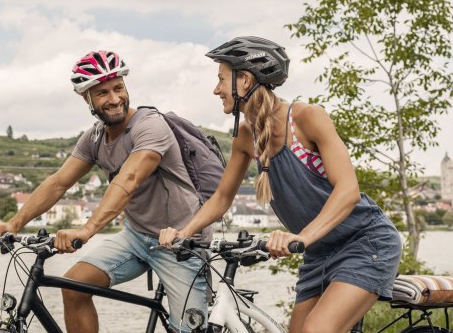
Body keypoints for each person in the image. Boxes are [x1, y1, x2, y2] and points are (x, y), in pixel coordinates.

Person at [159, 36, 402, 333]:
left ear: (245, 80)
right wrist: (183, 233)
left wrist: (299, 238)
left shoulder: (307, 118)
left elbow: (348, 191)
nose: (216, 89)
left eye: (221, 80)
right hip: (319, 252)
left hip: (365, 242)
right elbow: (222, 198)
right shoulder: (246, 137)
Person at [0, 50, 208, 333]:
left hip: (180, 241)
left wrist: (87, 230)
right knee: (74, 287)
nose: (115, 98)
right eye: (103, 93)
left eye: (118, 88)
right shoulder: (94, 137)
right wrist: (14, 223)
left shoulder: (150, 126)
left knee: (191, 330)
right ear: (87, 98)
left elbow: (128, 179)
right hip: (136, 237)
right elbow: (59, 182)